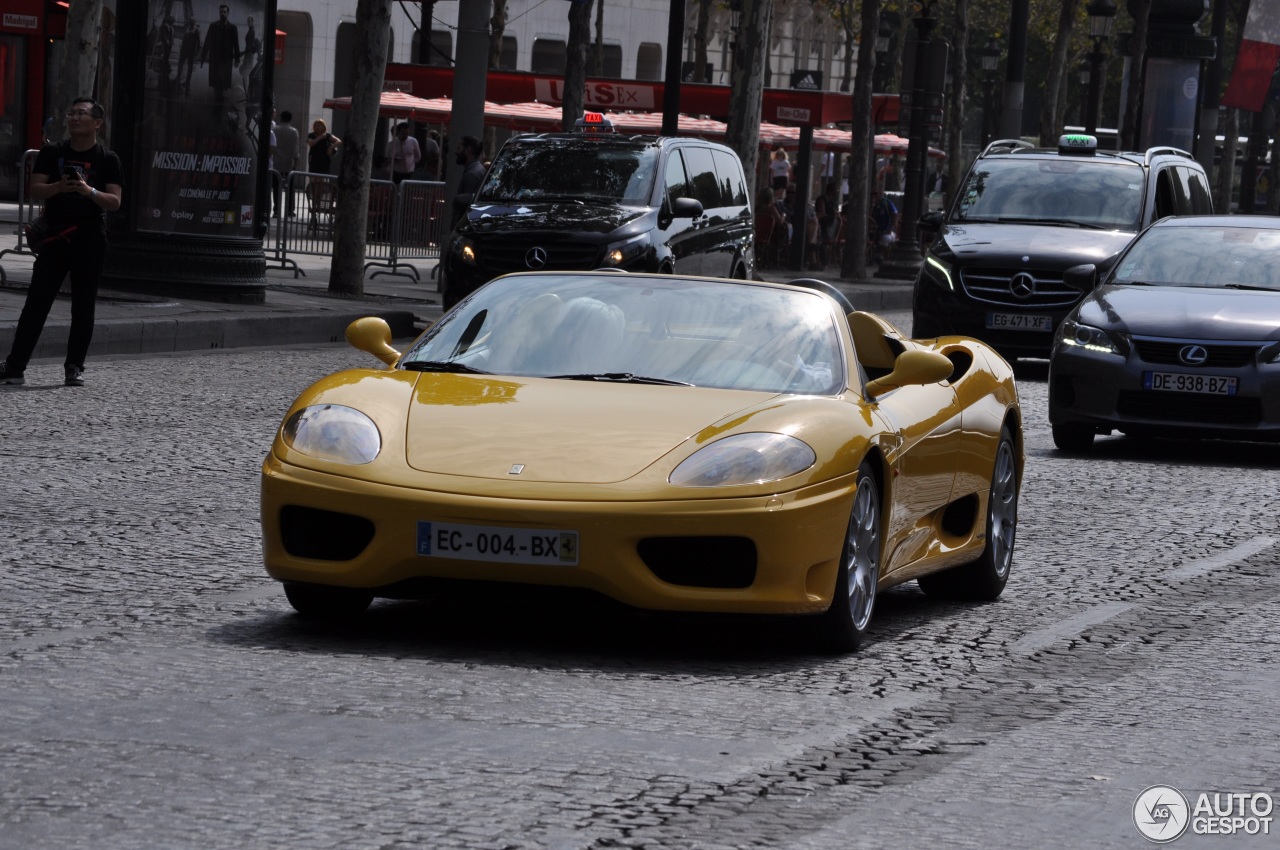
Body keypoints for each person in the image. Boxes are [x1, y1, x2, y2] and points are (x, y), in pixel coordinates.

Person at [1, 99, 123, 388]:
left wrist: (87, 190)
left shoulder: (108, 159)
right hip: (56, 236)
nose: (74, 118)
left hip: (90, 236)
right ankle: (16, 366)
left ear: (97, 123)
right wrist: (60, 187)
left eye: (82, 114)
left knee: (83, 305)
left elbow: (115, 201)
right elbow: (36, 188)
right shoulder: (52, 152)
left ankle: (74, 367)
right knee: (36, 303)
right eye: (72, 113)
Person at [451, 134, 485, 228]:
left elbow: (465, 206)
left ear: (468, 150)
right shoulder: (478, 170)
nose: (456, 152)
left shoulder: (471, 175)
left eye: (459, 148)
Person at [273, 109, 300, 218]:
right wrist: (296, 163)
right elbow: (295, 149)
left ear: (281, 118)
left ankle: (276, 210)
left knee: (276, 188)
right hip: (289, 163)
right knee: (290, 188)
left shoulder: (274, 130)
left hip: (276, 162)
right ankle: (290, 210)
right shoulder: (294, 131)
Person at [870, 189, 899, 263]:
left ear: (880, 194)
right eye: (872, 194)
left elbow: (895, 214)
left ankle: (880, 255)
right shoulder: (875, 206)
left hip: (888, 231)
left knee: (885, 238)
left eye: (875, 194)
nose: (874, 196)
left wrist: (891, 229)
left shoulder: (886, 203)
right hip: (876, 231)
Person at [176, 21, 201, 96]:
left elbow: (199, 41)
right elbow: (184, 39)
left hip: (191, 50)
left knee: (189, 67)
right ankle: (179, 79)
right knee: (180, 64)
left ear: (194, 23)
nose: (191, 23)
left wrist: (197, 50)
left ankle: (187, 81)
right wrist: (181, 49)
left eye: (192, 22)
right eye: (190, 22)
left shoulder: (197, 30)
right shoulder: (188, 28)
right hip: (184, 50)